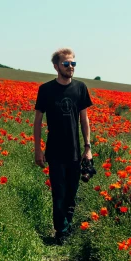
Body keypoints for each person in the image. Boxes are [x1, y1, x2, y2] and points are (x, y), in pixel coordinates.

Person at [34, 48, 93, 244]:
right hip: (55, 150)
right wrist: (37, 149)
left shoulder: (80, 88)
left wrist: (88, 147)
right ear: (56, 66)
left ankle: (66, 224)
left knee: (72, 192)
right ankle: (62, 231)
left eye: (73, 64)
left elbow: (84, 120)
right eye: (66, 64)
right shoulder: (46, 90)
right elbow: (37, 121)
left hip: (75, 150)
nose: (70, 67)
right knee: (58, 192)